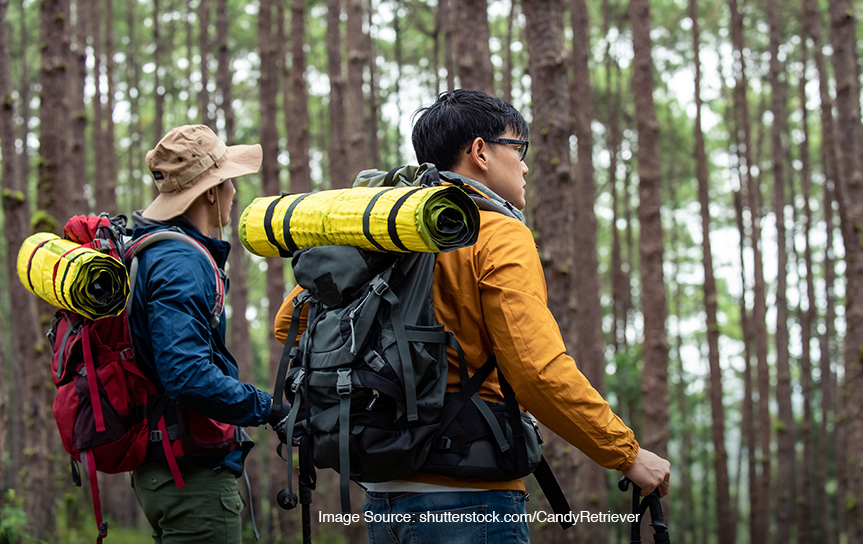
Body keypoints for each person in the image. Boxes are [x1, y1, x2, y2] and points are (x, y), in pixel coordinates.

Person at [275, 89, 670, 543]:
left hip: (383, 498)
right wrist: (627, 454)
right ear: (480, 151)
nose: (525, 166)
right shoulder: (497, 233)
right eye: (518, 149)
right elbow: (537, 372)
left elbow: (290, 324)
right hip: (471, 498)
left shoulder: (382, 231)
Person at [128, 124, 289, 544]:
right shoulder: (181, 261)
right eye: (230, 181)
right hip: (191, 480)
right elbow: (185, 374)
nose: (235, 192)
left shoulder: (149, 248)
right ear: (212, 191)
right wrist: (269, 409)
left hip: (163, 469)